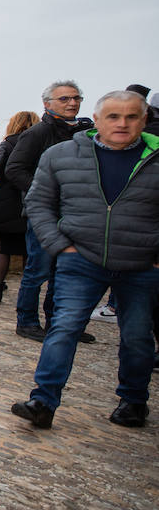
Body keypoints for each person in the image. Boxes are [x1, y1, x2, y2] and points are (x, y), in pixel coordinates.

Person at [11, 90, 159, 430]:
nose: (122, 124)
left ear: (144, 120)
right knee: (63, 327)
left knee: (137, 335)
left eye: (131, 116)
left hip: (141, 261)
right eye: (113, 117)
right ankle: (43, 401)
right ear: (97, 121)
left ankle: (134, 401)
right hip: (81, 258)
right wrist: (59, 245)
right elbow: (39, 203)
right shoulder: (62, 155)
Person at [4, 80, 95, 343]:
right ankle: (28, 321)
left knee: (65, 270)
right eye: (64, 99)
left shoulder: (83, 133)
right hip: (44, 213)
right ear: (47, 104)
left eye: (76, 98)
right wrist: (43, 191)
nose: (72, 103)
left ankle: (59, 323)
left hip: (74, 212)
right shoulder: (37, 133)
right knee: (38, 269)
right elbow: (14, 169)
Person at [0, 111, 39, 304]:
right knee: (30, 249)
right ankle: (28, 294)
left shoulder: (9, 143)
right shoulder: (41, 143)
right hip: (34, 197)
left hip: (9, 199)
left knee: (4, 248)